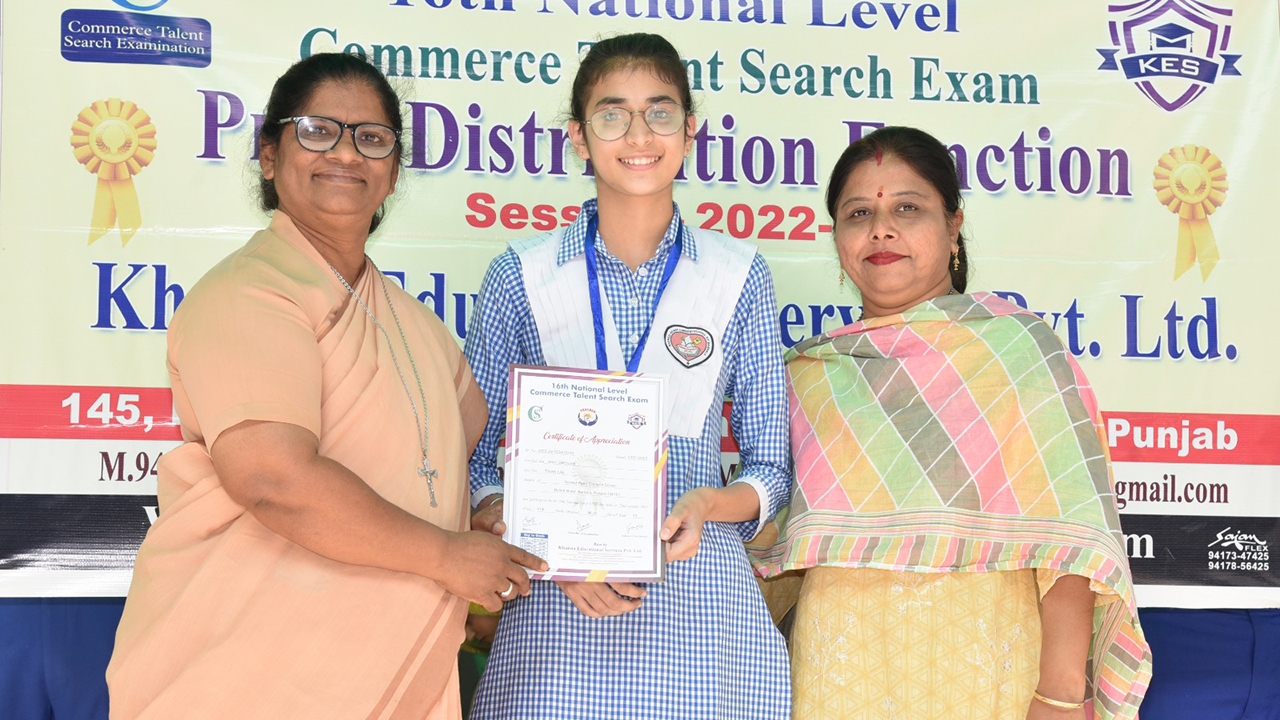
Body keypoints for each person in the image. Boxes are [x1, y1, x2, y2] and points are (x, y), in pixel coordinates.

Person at [105, 53, 545, 720]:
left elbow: (439, 470)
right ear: (269, 155)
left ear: (393, 172)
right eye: (317, 130)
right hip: (241, 675)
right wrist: (447, 554)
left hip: (386, 674)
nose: (345, 153)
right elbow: (271, 477)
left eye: (371, 138)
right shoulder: (249, 292)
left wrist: (476, 525)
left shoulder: (420, 330)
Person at [747, 126, 1152, 720]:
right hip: (839, 670)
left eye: (907, 208)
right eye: (859, 213)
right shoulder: (806, 376)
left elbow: (1072, 544)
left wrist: (1062, 693)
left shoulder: (1018, 353)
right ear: (836, 237)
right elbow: (762, 553)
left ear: (953, 224)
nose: (881, 229)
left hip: (990, 664)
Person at [463, 33, 791, 719]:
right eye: (612, 114)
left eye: (659, 112)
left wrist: (707, 504)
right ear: (579, 137)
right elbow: (476, 463)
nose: (639, 135)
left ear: (690, 130)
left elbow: (771, 470)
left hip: (698, 605)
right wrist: (551, 552)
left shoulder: (737, 276)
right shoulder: (522, 275)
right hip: (557, 611)